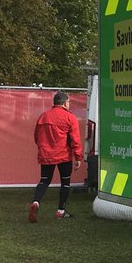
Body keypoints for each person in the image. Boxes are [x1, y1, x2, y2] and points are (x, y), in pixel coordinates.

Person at [29, 91, 84, 222]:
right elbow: (75, 140)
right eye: (69, 102)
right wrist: (78, 157)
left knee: (44, 181)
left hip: (46, 155)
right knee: (65, 183)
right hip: (63, 156)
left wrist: (43, 148)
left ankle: (36, 202)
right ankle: (61, 211)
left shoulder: (44, 116)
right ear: (65, 103)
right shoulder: (70, 118)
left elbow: (37, 136)